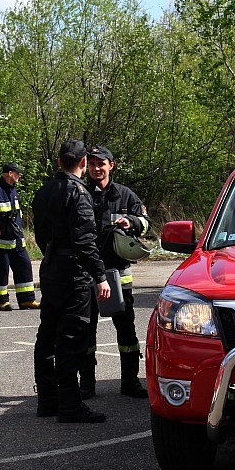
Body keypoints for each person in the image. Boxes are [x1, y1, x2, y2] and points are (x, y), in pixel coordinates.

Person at [31, 140, 110, 423]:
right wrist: (99, 275)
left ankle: (47, 400)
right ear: (82, 162)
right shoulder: (79, 193)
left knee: (47, 334)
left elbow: (40, 235)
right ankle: (69, 404)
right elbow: (85, 240)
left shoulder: (44, 192)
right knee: (72, 337)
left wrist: (53, 254)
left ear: (59, 162)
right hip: (74, 272)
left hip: (51, 267)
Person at [80, 145, 151, 400]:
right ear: (87, 166)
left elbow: (146, 223)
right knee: (86, 332)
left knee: (127, 331)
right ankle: (86, 383)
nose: (97, 168)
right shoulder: (81, 193)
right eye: (92, 164)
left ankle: (130, 382)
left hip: (119, 275)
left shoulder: (125, 195)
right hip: (88, 275)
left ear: (111, 165)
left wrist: (131, 222)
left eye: (102, 164)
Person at [0, 162, 39, 311]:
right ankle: (2, 301)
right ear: (10, 174)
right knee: (1, 272)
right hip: (0, 243)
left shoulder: (13, 191)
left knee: (24, 268)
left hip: (17, 241)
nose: (19, 176)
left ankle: (27, 300)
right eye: (17, 173)